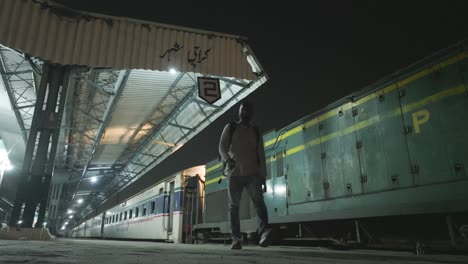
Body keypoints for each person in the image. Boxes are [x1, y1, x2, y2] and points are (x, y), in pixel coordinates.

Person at [218, 101, 272, 250]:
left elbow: (261, 154)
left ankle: (264, 233)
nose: (245, 112)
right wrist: (228, 160)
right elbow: (222, 146)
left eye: (248, 110)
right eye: (243, 110)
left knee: (259, 203)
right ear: (239, 112)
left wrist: (263, 176)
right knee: (234, 207)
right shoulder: (231, 127)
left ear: (251, 114)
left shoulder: (255, 131)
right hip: (234, 174)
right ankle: (236, 239)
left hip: (253, 173)